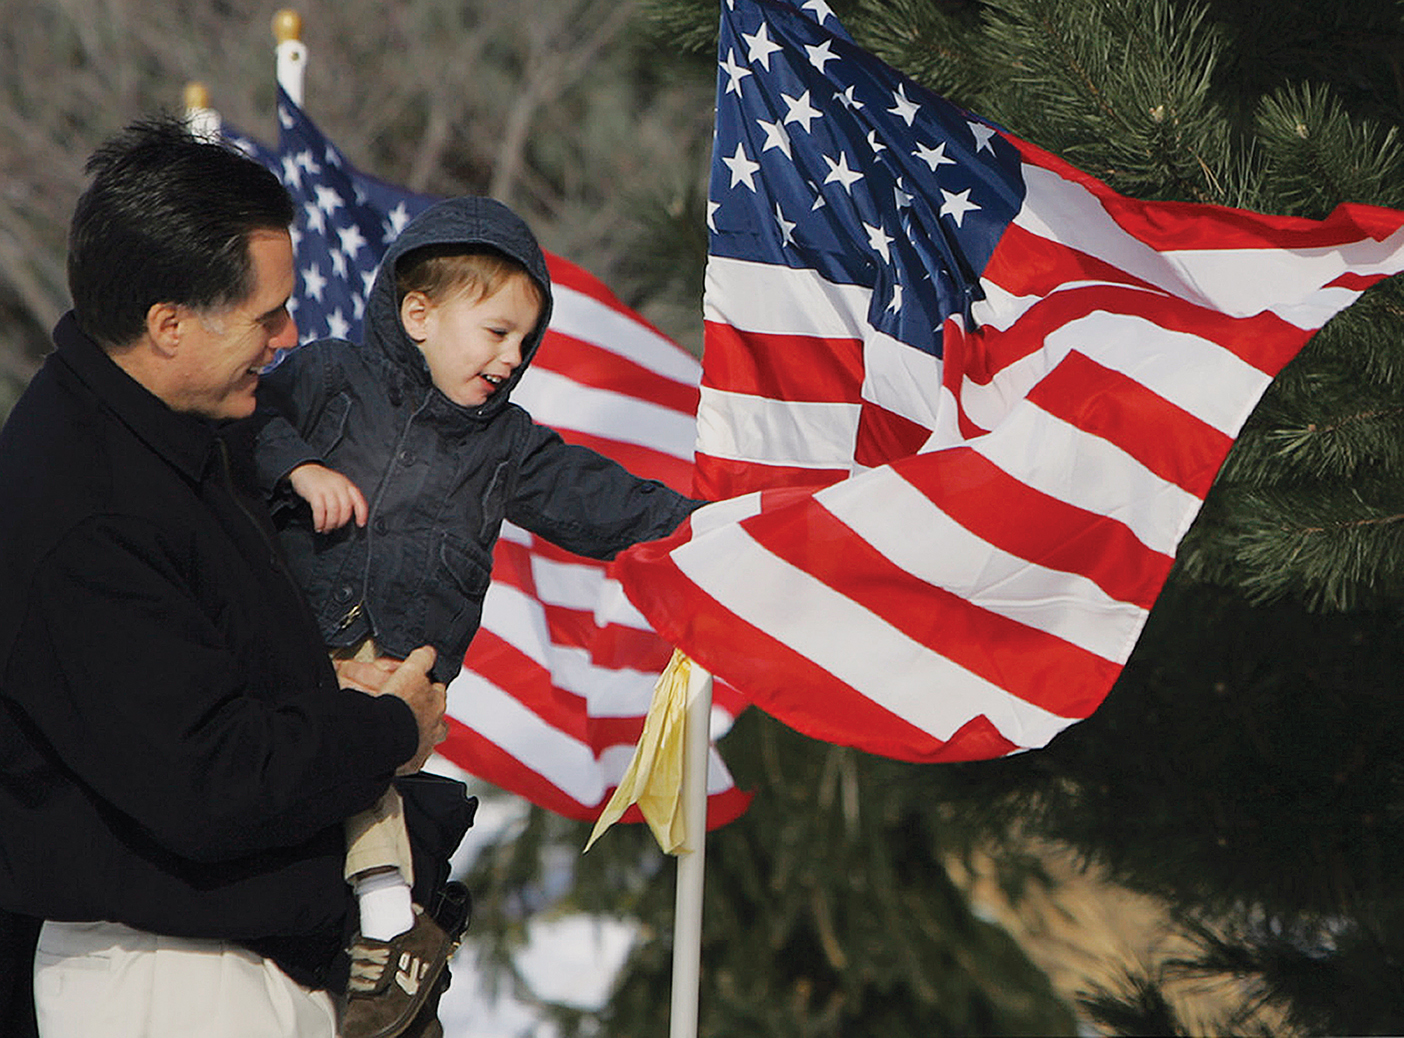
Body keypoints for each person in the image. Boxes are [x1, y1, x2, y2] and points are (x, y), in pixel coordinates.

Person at [0, 116, 468, 1038]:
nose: (289, 336)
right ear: (167, 324)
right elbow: (212, 784)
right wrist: (382, 727)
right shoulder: (85, 512)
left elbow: (190, 686)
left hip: (230, 960)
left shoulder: (167, 443)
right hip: (160, 980)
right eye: (267, 315)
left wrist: (326, 687)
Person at [254, 195, 704, 1035]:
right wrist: (299, 470)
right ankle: (382, 933)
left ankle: (392, 945)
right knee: (330, 786)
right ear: (417, 313)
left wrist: (709, 529)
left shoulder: (504, 444)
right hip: (295, 652)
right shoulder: (327, 377)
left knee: (377, 776)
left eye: (526, 342)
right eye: (496, 331)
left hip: (403, 679)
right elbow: (248, 425)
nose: (513, 357)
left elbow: (600, 500)